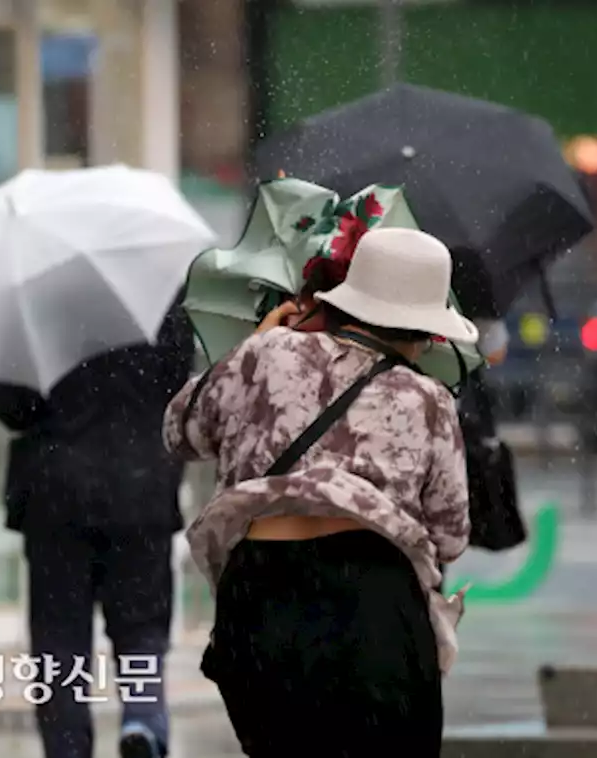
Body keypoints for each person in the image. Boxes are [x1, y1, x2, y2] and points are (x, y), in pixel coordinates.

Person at [164, 228, 473, 757]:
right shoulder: (427, 399)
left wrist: (255, 345)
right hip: (372, 599)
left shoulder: (268, 355)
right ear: (427, 330)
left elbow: (181, 432)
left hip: (260, 592)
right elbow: (450, 534)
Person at [0, 300, 194, 758]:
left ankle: (66, 747)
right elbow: (178, 384)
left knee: (59, 640)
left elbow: (11, 404)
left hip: (57, 496)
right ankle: (142, 721)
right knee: (141, 625)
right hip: (141, 489)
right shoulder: (156, 297)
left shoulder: (34, 301)